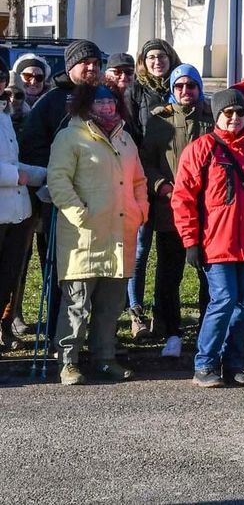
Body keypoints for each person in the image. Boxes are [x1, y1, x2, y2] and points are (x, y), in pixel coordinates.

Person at [172, 88, 244, 387]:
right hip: (216, 242)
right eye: (228, 113)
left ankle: (232, 361)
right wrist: (190, 241)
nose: (235, 118)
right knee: (224, 300)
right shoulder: (201, 149)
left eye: (240, 113)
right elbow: (183, 199)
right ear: (217, 115)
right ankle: (204, 363)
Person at [47, 84, 148, 385]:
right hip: (84, 236)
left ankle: (105, 358)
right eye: (100, 102)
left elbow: (139, 181)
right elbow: (58, 180)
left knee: (111, 305)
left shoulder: (126, 138)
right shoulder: (71, 137)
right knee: (77, 304)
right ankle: (68, 362)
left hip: (120, 234)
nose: (106, 107)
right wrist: (80, 213)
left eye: (111, 102)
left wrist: (140, 210)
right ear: (86, 105)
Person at [19, 39, 102, 348]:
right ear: (71, 67)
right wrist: (47, 184)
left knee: (96, 270)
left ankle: (96, 336)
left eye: (96, 63)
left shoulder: (104, 97)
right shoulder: (52, 101)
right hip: (60, 199)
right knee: (60, 270)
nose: (92, 68)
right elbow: (33, 143)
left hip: (100, 198)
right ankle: (58, 334)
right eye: (86, 64)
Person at [139, 65, 213, 359]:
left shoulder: (211, 117)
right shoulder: (160, 120)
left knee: (209, 275)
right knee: (170, 275)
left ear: (199, 88)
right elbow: (146, 162)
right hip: (171, 211)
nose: (185, 91)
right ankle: (172, 331)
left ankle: (208, 328)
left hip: (208, 212)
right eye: (179, 86)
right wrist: (160, 186)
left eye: (191, 86)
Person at [126, 38, 182, 339]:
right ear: (143, 62)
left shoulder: (179, 87)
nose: (157, 61)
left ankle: (164, 315)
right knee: (139, 250)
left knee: (168, 254)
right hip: (143, 178)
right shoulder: (135, 91)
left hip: (171, 184)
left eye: (162, 56)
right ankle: (136, 311)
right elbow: (132, 131)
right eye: (151, 57)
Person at [0, 90, 47, 351]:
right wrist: (13, 175)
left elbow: (15, 163)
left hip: (15, 212)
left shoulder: (5, 115)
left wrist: (47, 175)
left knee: (7, 280)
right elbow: (12, 170)